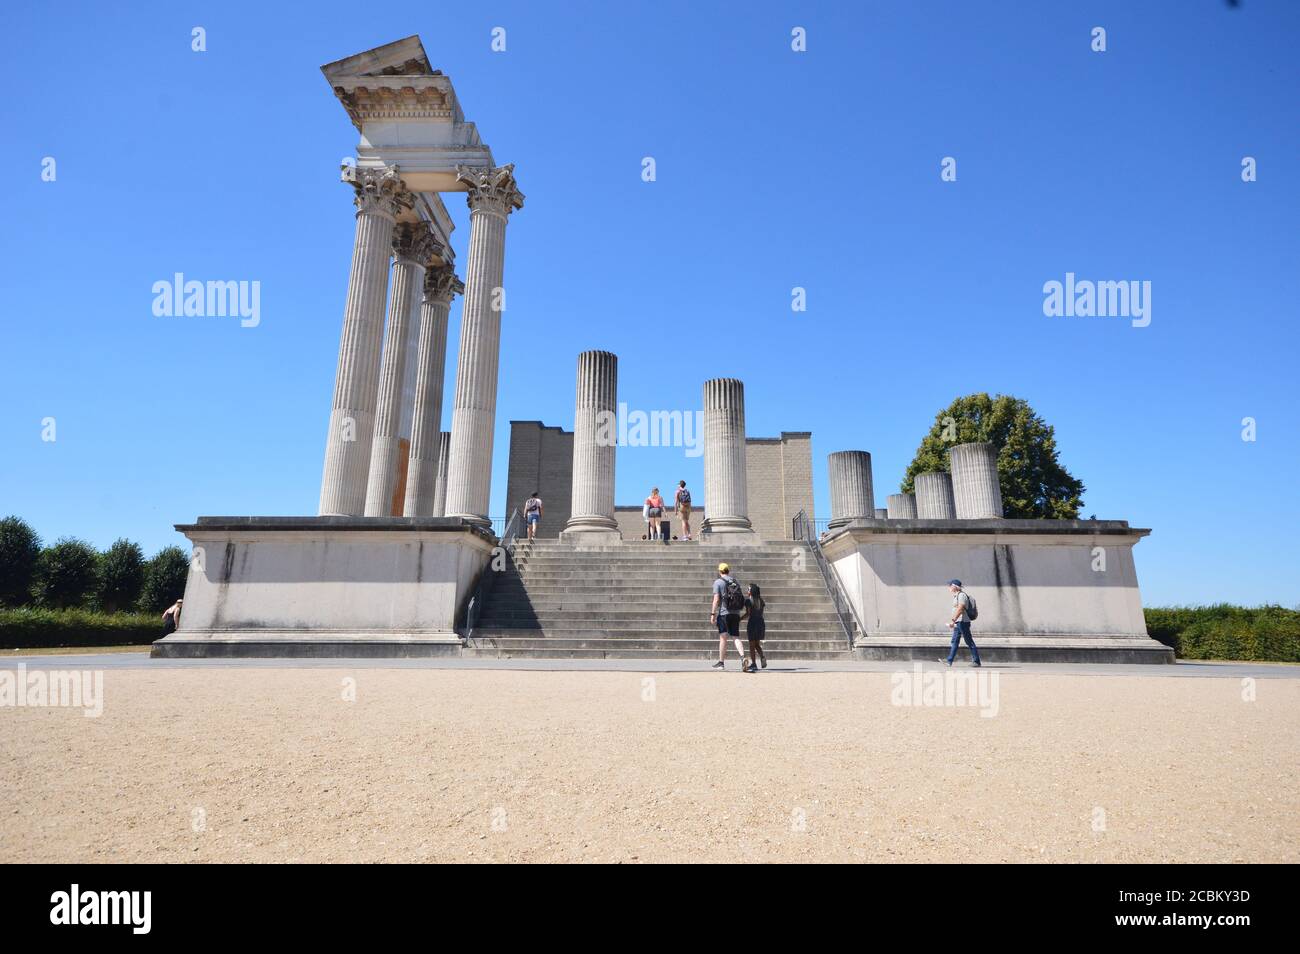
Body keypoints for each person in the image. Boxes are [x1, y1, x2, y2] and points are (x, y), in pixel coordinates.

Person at [710, 562, 748, 670]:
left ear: (720, 571)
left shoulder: (718, 582)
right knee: (735, 637)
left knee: (723, 638)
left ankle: (721, 663)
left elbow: (716, 599)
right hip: (735, 613)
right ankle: (742, 657)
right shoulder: (735, 582)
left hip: (724, 613)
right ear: (728, 571)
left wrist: (713, 613)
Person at [941, 579, 981, 667]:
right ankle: (949, 660)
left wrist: (953, 620)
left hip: (963, 622)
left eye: (950, 586)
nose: (949, 588)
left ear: (954, 586)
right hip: (959, 622)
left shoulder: (961, 595)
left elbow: (961, 608)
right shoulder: (956, 596)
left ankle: (977, 661)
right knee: (955, 641)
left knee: (969, 641)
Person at [742, 583, 767, 672]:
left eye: (748, 589)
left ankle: (754, 663)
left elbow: (748, 613)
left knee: (752, 645)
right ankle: (762, 656)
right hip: (760, 623)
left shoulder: (748, 601)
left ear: (751, 591)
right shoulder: (761, 600)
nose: (747, 591)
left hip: (752, 623)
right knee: (757, 644)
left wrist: (740, 619)